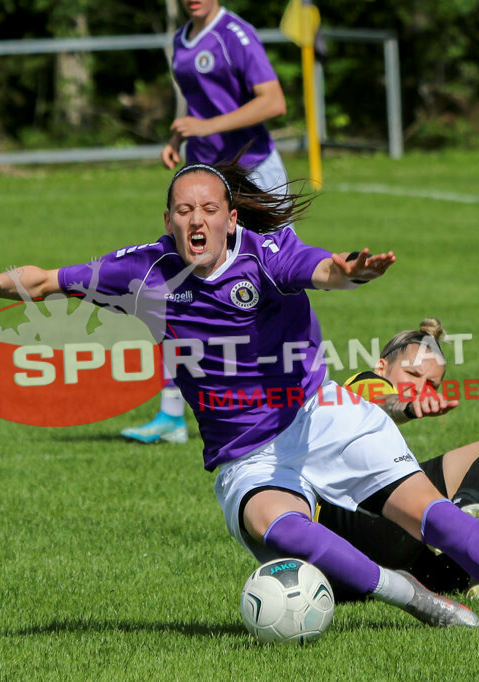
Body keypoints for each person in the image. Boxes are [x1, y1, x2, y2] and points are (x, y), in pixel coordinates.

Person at [0, 162, 479, 626]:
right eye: (184, 210)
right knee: (280, 528)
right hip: (245, 452)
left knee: (439, 520)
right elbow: (52, 277)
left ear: (232, 215)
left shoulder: (267, 255)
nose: (197, 220)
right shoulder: (141, 270)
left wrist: (349, 272)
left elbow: (322, 271)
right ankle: (418, 598)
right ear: (170, 219)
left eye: (210, 207)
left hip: (322, 416)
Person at [124, 0, 289, 445]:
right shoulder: (181, 39)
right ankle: (172, 415)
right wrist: (178, 137)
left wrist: (208, 125)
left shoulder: (235, 34)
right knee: (177, 287)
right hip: (204, 182)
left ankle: (290, 394)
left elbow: (274, 101)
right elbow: (199, 105)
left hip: (252, 173)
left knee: (274, 285)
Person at [315, 319, 479, 601]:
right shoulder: (360, 384)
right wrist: (405, 406)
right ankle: (454, 525)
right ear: (381, 367)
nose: (420, 388)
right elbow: (378, 399)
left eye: (431, 384)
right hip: (344, 530)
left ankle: (462, 513)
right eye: (413, 374)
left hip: (402, 563)